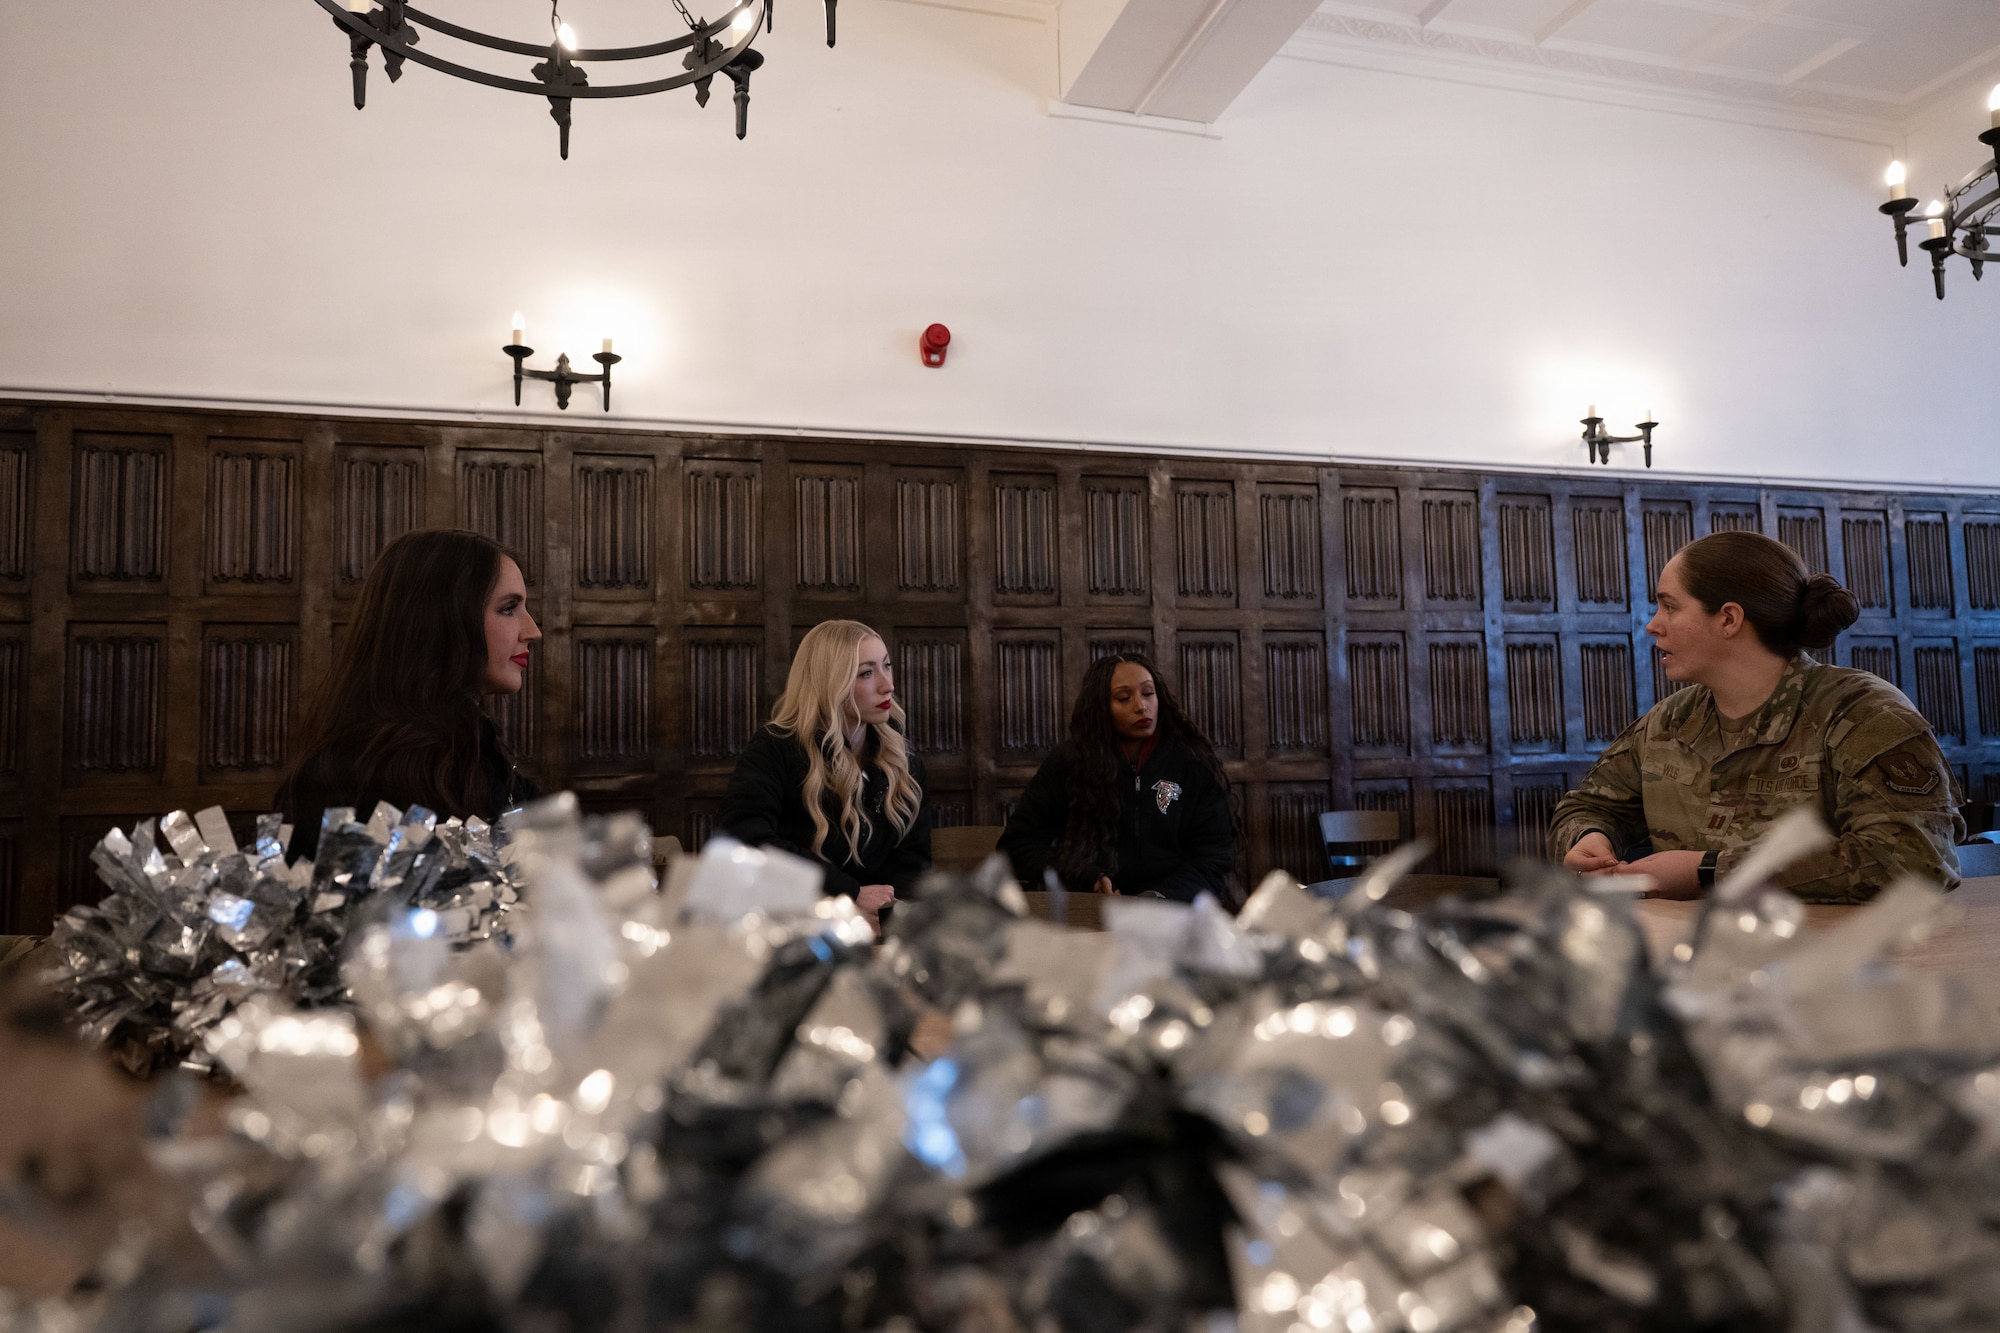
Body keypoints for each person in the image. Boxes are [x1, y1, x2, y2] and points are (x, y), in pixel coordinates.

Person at [1549, 531, 1961, 903]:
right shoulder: (1669, 721)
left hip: (1841, 967)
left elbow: (1916, 860)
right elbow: (1587, 806)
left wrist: (1710, 872)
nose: (1653, 625)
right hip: (1705, 966)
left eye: (1669, 606)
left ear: (1728, 619)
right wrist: (1590, 839)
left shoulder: (1860, 712)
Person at [277, 529, 541, 860]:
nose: (533, 631)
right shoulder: (370, 772)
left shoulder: (476, 748)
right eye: (508, 608)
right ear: (440, 620)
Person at [719, 620, 930, 929]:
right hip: (791, 928)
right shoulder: (776, 749)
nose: (888, 685)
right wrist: (850, 894)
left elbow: (914, 866)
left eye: (887, 666)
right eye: (867, 673)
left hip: (878, 935)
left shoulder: (904, 762)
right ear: (830, 682)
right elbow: (745, 841)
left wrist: (889, 915)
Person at [998, 652, 1238, 905]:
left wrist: (1158, 897)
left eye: (1148, 693)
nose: (1141, 706)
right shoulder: (1069, 763)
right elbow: (1017, 846)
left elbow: (1215, 856)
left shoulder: (1191, 762)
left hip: (1174, 914)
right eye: (1124, 698)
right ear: (1101, 707)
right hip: (1091, 913)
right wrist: (1086, 876)